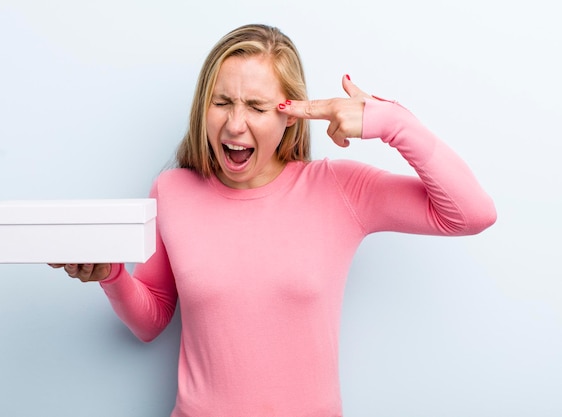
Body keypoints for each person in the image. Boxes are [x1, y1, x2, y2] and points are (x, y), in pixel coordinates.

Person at [50, 23, 496, 416]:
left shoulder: (339, 190)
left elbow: (472, 214)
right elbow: (151, 322)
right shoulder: (172, 192)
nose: (235, 125)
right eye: (222, 102)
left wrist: (393, 122)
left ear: (291, 115)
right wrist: (112, 277)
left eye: (257, 107)